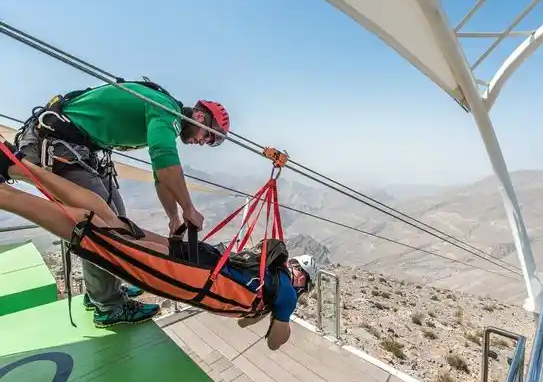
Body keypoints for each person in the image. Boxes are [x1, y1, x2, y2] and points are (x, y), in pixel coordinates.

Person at [0, 137, 317, 349]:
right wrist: (286, 309)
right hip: (190, 274)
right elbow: (275, 340)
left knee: (108, 220)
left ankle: (13, 166)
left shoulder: (267, 277)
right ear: (301, 280)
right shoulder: (285, 293)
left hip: (199, 259)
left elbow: (245, 318)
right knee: (92, 231)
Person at [13, 81, 231, 327]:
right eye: (208, 135)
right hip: (58, 145)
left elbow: (161, 176)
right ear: (200, 115)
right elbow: (163, 158)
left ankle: (100, 291)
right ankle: (108, 306)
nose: (204, 142)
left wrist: (174, 217)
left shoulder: (163, 112)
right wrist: (189, 209)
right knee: (103, 230)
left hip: (73, 146)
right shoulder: (167, 111)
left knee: (120, 221)